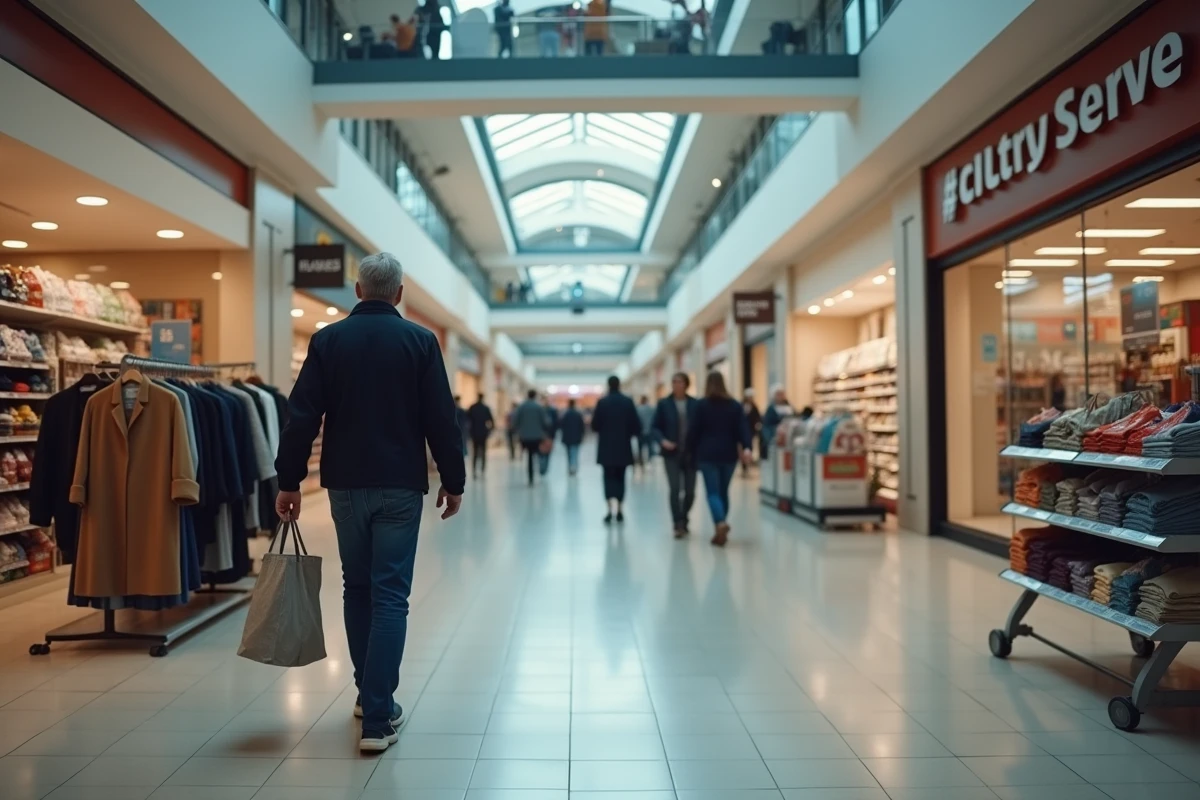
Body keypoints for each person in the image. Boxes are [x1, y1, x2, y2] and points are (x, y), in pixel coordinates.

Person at [274, 252, 463, 753]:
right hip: (401, 485)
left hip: (345, 485)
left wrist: (289, 479)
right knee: (390, 596)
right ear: (398, 294)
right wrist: (453, 478)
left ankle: (367, 694)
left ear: (357, 291)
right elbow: (439, 417)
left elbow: (302, 416)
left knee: (356, 588)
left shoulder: (328, 340)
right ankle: (378, 716)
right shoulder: (421, 342)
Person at [688, 371, 751, 547]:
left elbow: (693, 432)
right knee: (723, 491)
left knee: (712, 493)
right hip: (729, 454)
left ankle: (720, 523)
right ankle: (719, 529)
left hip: (707, 454)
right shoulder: (734, 405)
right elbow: (743, 429)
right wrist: (746, 447)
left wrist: (688, 451)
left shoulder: (701, 406)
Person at [652, 372, 699, 538]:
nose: (676, 385)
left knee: (690, 491)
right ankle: (677, 523)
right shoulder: (664, 404)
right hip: (671, 453)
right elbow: (655, 427)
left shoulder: (695, 404)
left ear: (686, 384)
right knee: (674, 489)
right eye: (673, 382)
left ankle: (684, 516)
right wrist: (663, 441)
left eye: (679, 382)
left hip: (690, 453)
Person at [591, 375, 641, 523]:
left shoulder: (602, 402)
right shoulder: (627, 402)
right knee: (621, 477)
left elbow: (595, 425)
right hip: (623, 446)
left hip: (606, 447)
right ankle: (619, 508)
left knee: (607, 478)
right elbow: (636, 426)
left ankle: (608, 509)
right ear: (619, 385)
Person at [513, 389, 551, 486]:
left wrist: (519, 430)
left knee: (529, 456)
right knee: (537, 453)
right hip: (537, 436)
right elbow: (546, 422)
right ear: (535, 396)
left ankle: (530, 476)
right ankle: (540, 469)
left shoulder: (522, 407)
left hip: (525, 436)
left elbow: (515, 420)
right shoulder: (539, 407)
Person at [761, 385, 793, 463]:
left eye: (782, 394)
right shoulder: (771, 408)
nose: (781, 396)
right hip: (775, 438)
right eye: (778, 394)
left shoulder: (789, 407)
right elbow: (767, 425)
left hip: (789, 439)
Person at [467, 393, 494, 478]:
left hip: (474, 432)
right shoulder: (486, 408)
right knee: (483, 452)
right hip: (483, 433)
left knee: (475, 452)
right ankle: (482, 470)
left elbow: (467, 419)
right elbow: (492, 421)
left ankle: (474, 471)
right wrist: (489, 431)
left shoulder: (472, 407)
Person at [559, 398, 585, 475]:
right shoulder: (578, 414)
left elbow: (561, 425)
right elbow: (582, 426)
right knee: (575, 453)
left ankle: (570, 467)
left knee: (569, 454)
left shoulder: (565, 414)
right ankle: (574, 467)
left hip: (567, 437)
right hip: (576, 437)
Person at [741, 388, 762, 476]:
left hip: (751, 430)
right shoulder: (741, 406)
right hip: (742, 430)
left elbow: (757, 417)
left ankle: (747, 466)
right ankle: (744, 467)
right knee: (743, 449)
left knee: (750, 448)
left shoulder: (754, 406)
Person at [539, 394, 559, 476]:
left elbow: (556, 423)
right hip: (541, 435)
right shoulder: (539, 410)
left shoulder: (553, 411)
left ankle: (545, 466)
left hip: (549, 435)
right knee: (541, 451)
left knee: (547, 452)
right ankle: (542, 466)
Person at [636, 395, 656, 468]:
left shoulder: (638, 409)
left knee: (640, 447)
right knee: (649, 446)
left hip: (641, 431)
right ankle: (649, 461)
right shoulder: (651, 408)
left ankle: (641, 461)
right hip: (649, 430)